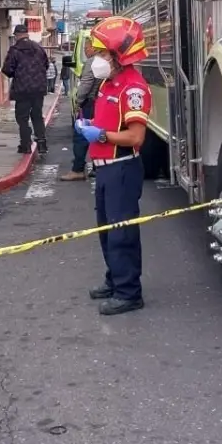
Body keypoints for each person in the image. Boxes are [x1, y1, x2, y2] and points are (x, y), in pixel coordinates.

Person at [73, 16, 151, 316]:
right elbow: (109, 120)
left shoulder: (133, 89)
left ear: (120, 55)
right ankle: (115, 279)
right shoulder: (110, 82)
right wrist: (92, 124)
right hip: (105, 168)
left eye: (104, 53)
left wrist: (101, 134)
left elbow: (135, 136)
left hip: (121, 167)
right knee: (106, 230)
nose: (98, 58)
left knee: (122, 232)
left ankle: (129, 292)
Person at [1, 24, 49, 154]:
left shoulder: (15, 50)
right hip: (38, 89)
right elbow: (46, 64)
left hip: (22, 90)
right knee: (37, 116)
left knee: (22, 117)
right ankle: (42, 143)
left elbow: (7, 69)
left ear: (16, 35)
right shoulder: (39, 48)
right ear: (27, 34)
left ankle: (26, 144)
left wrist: (16, 74)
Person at [60, 37, 101, 183]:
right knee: (98, 136)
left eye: (86, 48)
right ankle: (98, 168)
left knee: (81, 135)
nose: (85, 50)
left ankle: (77, 170)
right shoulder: (105, 61)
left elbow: (86, 84)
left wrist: (78, 101)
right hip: (100, 103)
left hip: (89, 103)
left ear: (93, 47)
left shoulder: (92, 62)